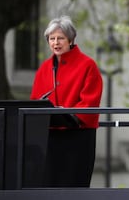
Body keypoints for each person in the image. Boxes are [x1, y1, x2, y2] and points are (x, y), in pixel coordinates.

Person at [30, 15, 103, 187]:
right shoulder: (44, 68)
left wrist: (68, 114)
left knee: (73, 187)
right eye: (52, 39)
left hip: (77, 138)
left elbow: (90, 101)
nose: (56, 43)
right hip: (49, 138)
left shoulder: (87, 65)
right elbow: (34, 100)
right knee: (48, 187)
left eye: (60, 38)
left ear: (70, 40)